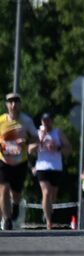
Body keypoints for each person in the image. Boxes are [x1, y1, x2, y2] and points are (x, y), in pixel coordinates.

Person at [1, 92, 39, 231]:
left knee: (16, 192)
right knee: (3, 189)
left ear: (20, 104)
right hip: (3, 161)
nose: (13, 104)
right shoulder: (1, 121)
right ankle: (7, 219)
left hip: (20, 162)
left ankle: (15, 205)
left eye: (16, 101)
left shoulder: (26, 121)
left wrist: (27, 143)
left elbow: (36, 138)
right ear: (6, 105)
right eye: (10, 102)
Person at [32, 111, 67, 230]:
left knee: (52, 196)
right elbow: (29, 150)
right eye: (44, 121)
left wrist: (57, 147)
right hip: (42, 167)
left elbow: (69, 148)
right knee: (46, 192)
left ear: (51, 121)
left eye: (48, 120)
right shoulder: (37, 134)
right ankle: (48, 221)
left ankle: (46, 210)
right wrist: (40, 141)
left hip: (56, 167)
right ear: (41, 122)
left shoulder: (58, 133)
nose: (46, 123)